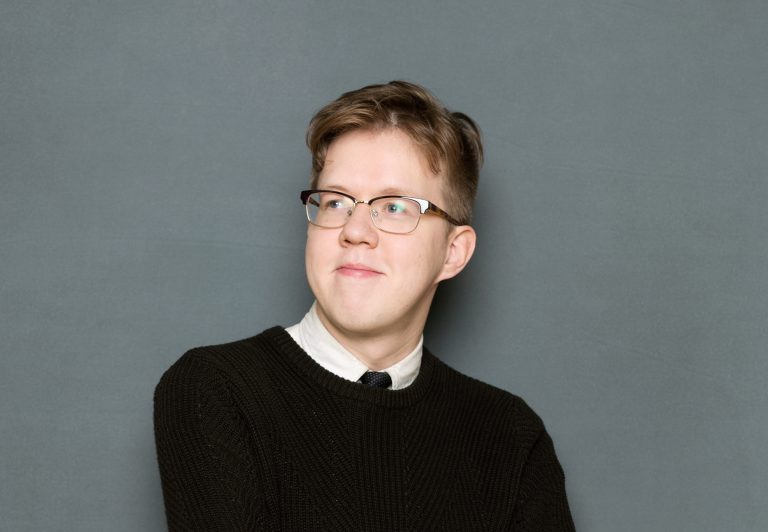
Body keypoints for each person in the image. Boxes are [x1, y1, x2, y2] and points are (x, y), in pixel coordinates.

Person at [154, 80, 575, 531]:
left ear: (453, 253)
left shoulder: (510, 434)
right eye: (336, 202)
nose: (355, 231)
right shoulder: (216, 389)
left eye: (394, 207)